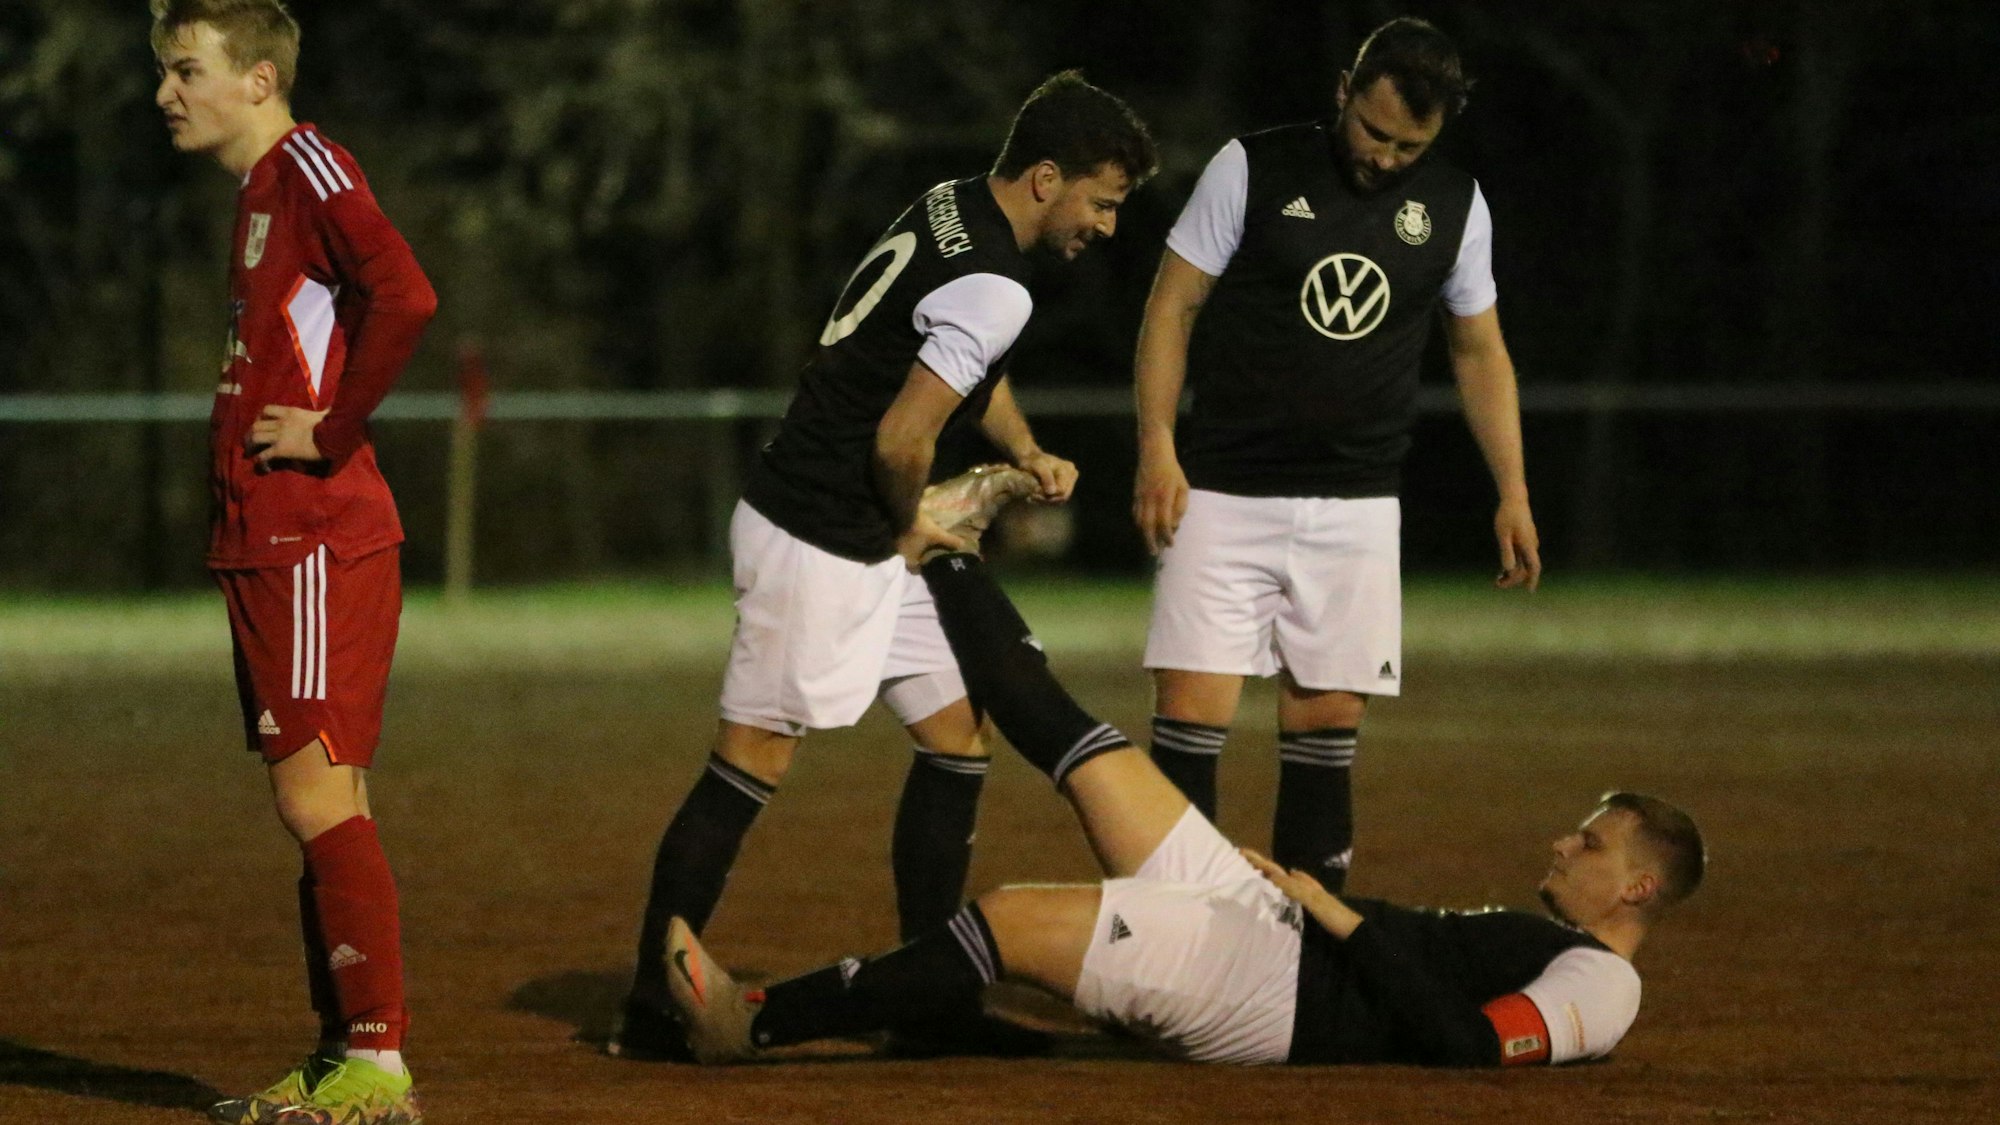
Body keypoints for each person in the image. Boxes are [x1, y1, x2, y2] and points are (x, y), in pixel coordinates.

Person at [661, 469, 1704, 1068]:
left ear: (1637, 888)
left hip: (1273, 993)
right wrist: (1313, 913)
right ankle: (941, 548)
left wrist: (1337, 919)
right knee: (1081, 744)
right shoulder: (1557, 942)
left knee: (1011, 919)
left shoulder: (1602, 987)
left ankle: (752, 1021)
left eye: (1592, 842)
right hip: (1272, 926)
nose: (1565, 844)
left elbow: (1467, 1051)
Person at [612, 71, 1159, 1059]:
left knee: (957, 737)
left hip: (851, 531)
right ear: (1045, 179)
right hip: (818, 534)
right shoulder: (998, 283)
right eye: (1102, 201)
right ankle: (652, 1004)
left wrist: (1023, 449)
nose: (1108, 226)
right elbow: (904, 439)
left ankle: (926, 1002)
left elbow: (963, 368)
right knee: (749, 764)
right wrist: (911, 527)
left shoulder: (954, 207)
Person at [1129, 16, 1542, 897]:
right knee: (1190, 716)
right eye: (1374, 131)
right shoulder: (1252, 167)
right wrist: (1158, 444)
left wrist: (1512, 488)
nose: (1387, 158)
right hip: (1223, 493)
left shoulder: (1460, 207)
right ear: (1343, 95)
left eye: (1410, 144)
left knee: (1325, 726)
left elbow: (1479, 351)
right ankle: (1173, 946)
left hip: (1357, 504)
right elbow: (1172, 307)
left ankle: (1304, 957)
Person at [152, 2, 437, 1121]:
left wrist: (333, 428)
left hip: (314, 532)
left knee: (316, 793)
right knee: (315, 796)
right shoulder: (259, 192)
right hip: (266, 536)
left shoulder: (308, 165)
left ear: (259, 79)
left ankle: (376, 1062)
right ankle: (339, 1056)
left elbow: (405, 294)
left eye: (186, 71)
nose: (166, 94)